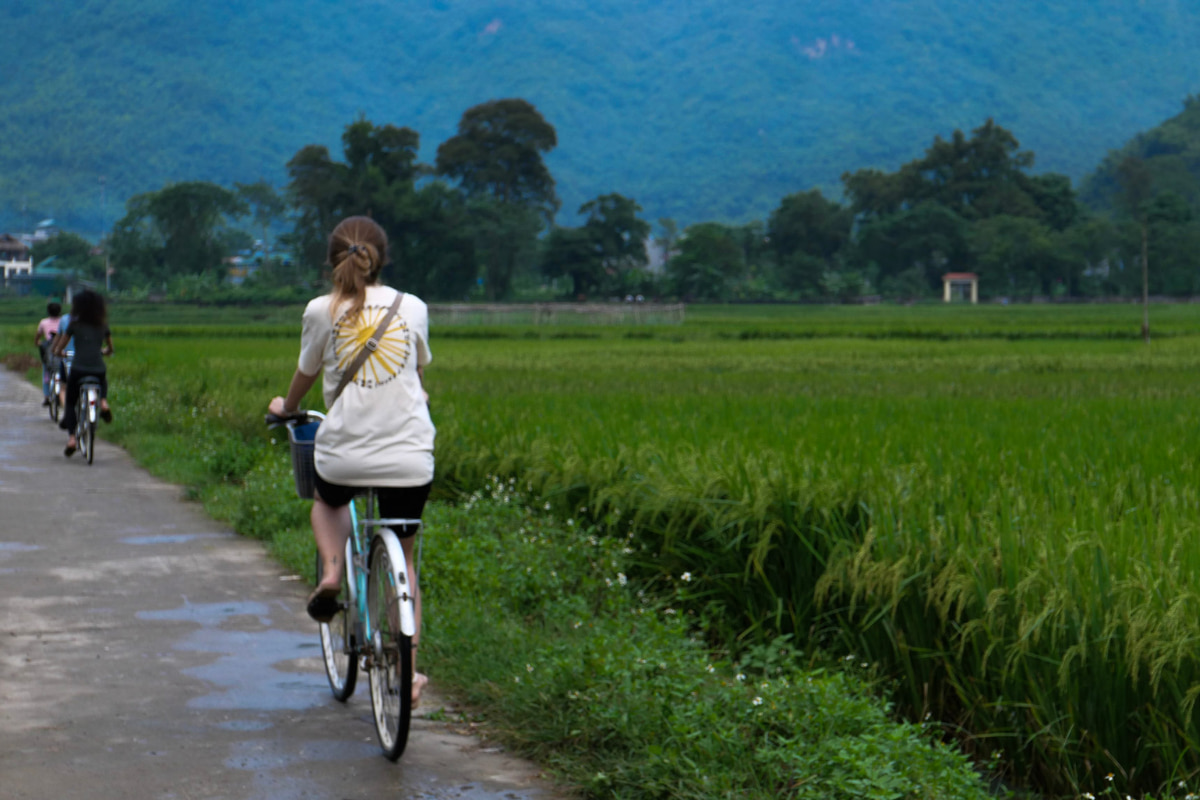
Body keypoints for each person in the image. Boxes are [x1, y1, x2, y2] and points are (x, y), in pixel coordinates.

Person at [267, 216, 434, 704]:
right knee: (403, 551)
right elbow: (417, 372)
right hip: (410, 455)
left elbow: (304, 375)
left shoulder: (321, 310)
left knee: (327, 498)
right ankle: (409, 672)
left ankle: (333, 572)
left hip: (344, 454)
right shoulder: (414, 307)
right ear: (382, 255)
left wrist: (287, 408)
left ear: (332, 259)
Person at [53, 290, 114, 456]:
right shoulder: (103, 326)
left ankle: (72, 439)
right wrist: (105, 351)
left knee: (71, 402)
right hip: (98, 367)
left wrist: (59, 352)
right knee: (102, 378)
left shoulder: (74, 325)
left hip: (79, 368)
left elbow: (60, 347)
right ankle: (103, 402)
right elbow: (110, 348)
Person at [34, 302, 62, 406]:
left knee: (46, 370)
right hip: (61, 347)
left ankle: (46, 396)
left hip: (49, 348)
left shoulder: (43, 322)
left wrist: (37, 342)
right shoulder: (63, 321)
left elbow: (38, 335)